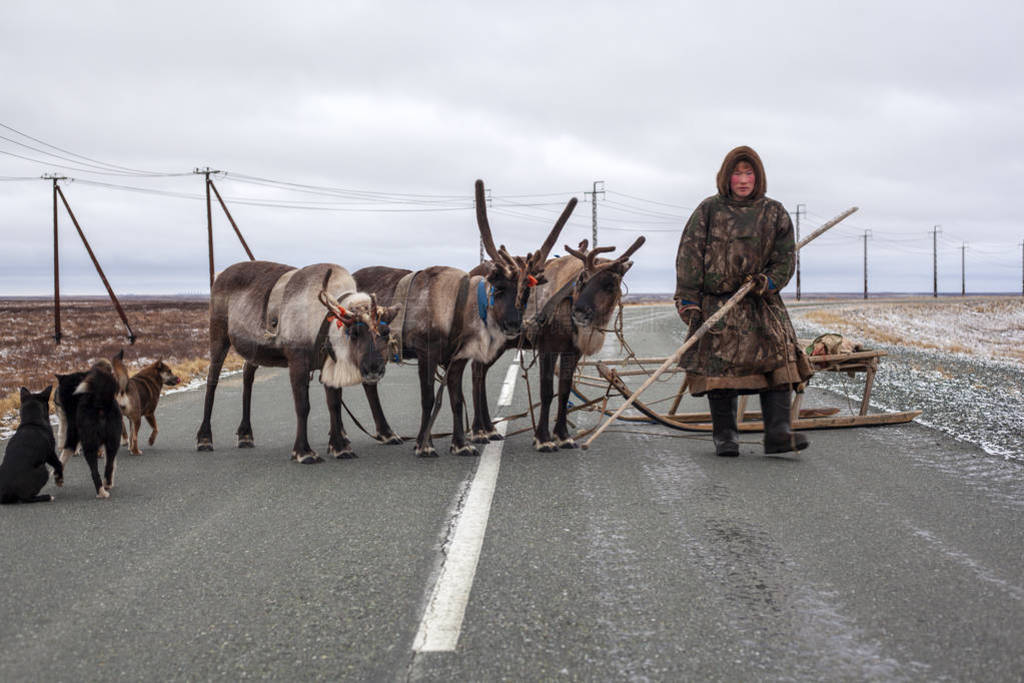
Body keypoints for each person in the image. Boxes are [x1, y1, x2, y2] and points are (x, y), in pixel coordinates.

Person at [674, 145, 814, 456]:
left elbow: (784, 260)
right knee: (718, 371)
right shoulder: (708, 211)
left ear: (758, 177)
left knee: (778, 363)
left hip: (760, 302)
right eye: (737, 173)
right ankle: (725, 437)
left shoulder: (774, 212)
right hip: (718, 306)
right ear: (726, 176)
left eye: (748, 172)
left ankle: (778, 434)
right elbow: (689, 257)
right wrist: (688, 300)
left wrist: (768, 281)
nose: (743, 179)